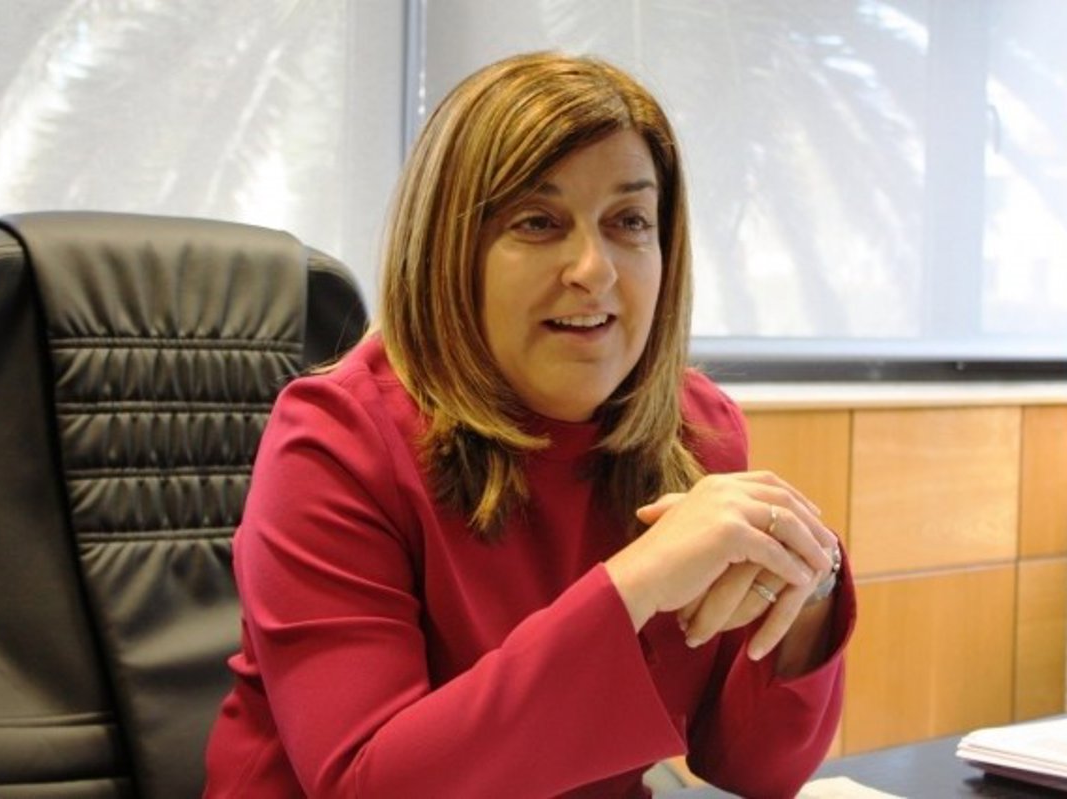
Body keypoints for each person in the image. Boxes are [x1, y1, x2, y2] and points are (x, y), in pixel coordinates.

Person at [203, 51, 855, 799]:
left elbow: (754, 769)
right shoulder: (334, 441)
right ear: (451, 250)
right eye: (538, 223)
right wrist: (635, 582)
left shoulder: (696, 431)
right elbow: (367, 785)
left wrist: (809, 591)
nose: (594, 269)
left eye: (629, 222)